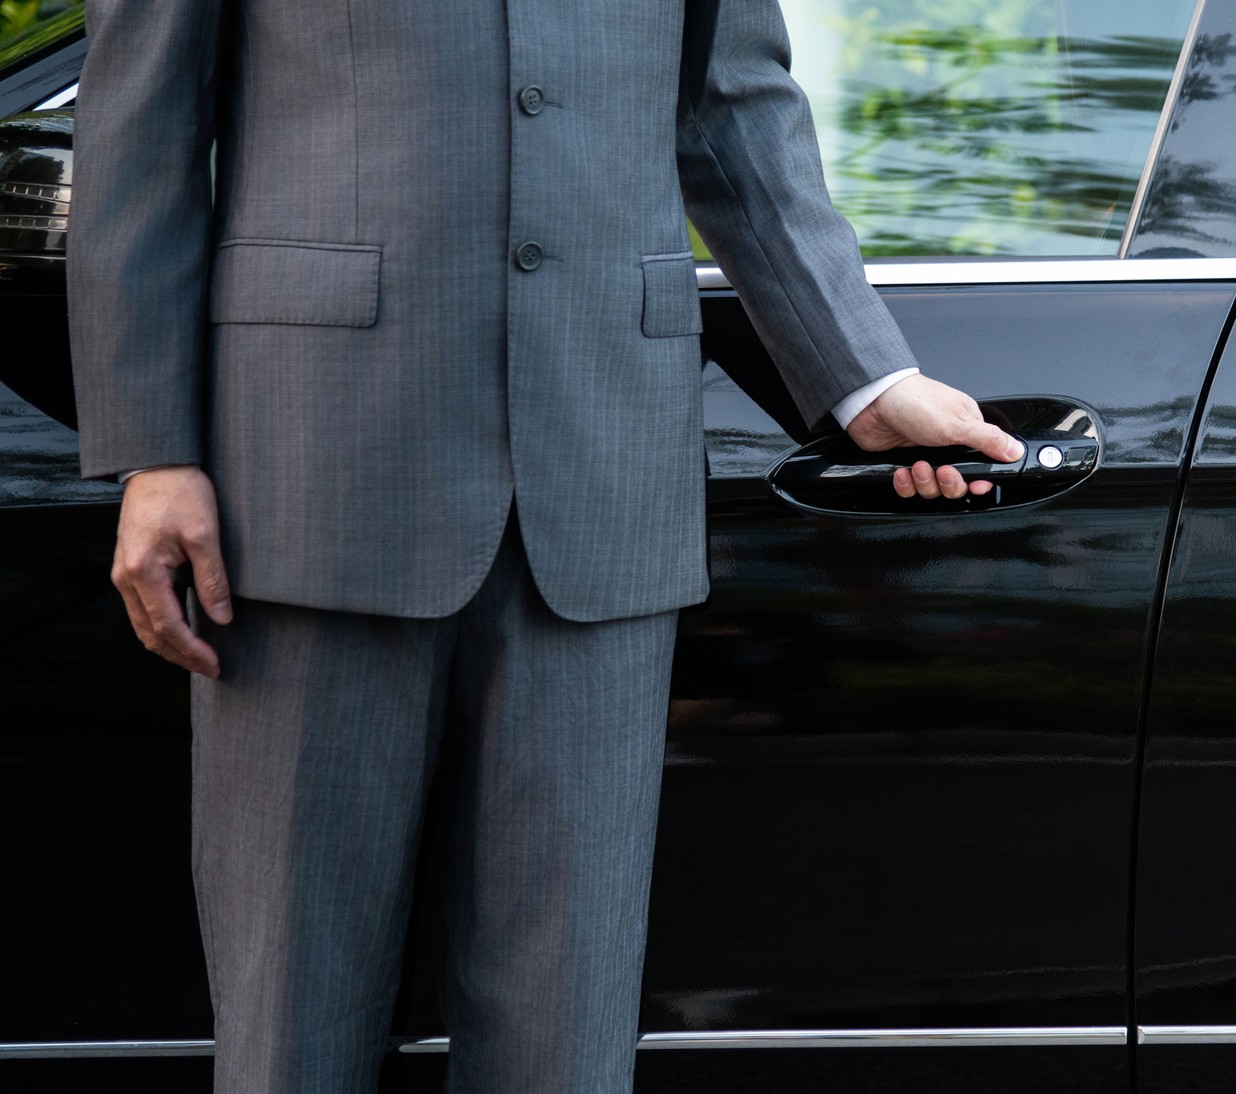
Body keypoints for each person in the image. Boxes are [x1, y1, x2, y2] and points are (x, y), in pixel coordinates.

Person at [67, 0, 1022, 1090]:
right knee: (292, 1033)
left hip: (603, 474)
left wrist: (867, 375)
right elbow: (139, 121)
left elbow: (731, 106)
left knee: (565, 1049)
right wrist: (153, 449)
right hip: (307, 476)